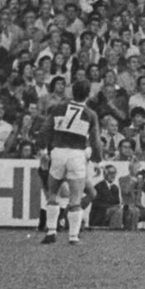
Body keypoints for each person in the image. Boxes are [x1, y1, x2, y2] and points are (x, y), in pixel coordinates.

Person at [39, 80, 99, 246]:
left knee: (52, 193)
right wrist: (97, 161)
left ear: (72, 92)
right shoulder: (90, 114)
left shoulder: (59, 108)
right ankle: (73, 236)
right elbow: (95, 141)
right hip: (76, 154)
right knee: (75, 198)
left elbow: (45, 130)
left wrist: (44, 151)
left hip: (58, 152)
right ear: (88, 94)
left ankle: (51, 231)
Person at [119, 165, 145, 231]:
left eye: (138, 168)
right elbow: (126, 190)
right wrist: (133, 180)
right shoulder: (123, 179)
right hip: (128, 208)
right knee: (135, 210)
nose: (138, 170)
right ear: (130, 169)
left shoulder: (140, 181)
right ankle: (134, 232)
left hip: (139, 208)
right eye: (136, 168)